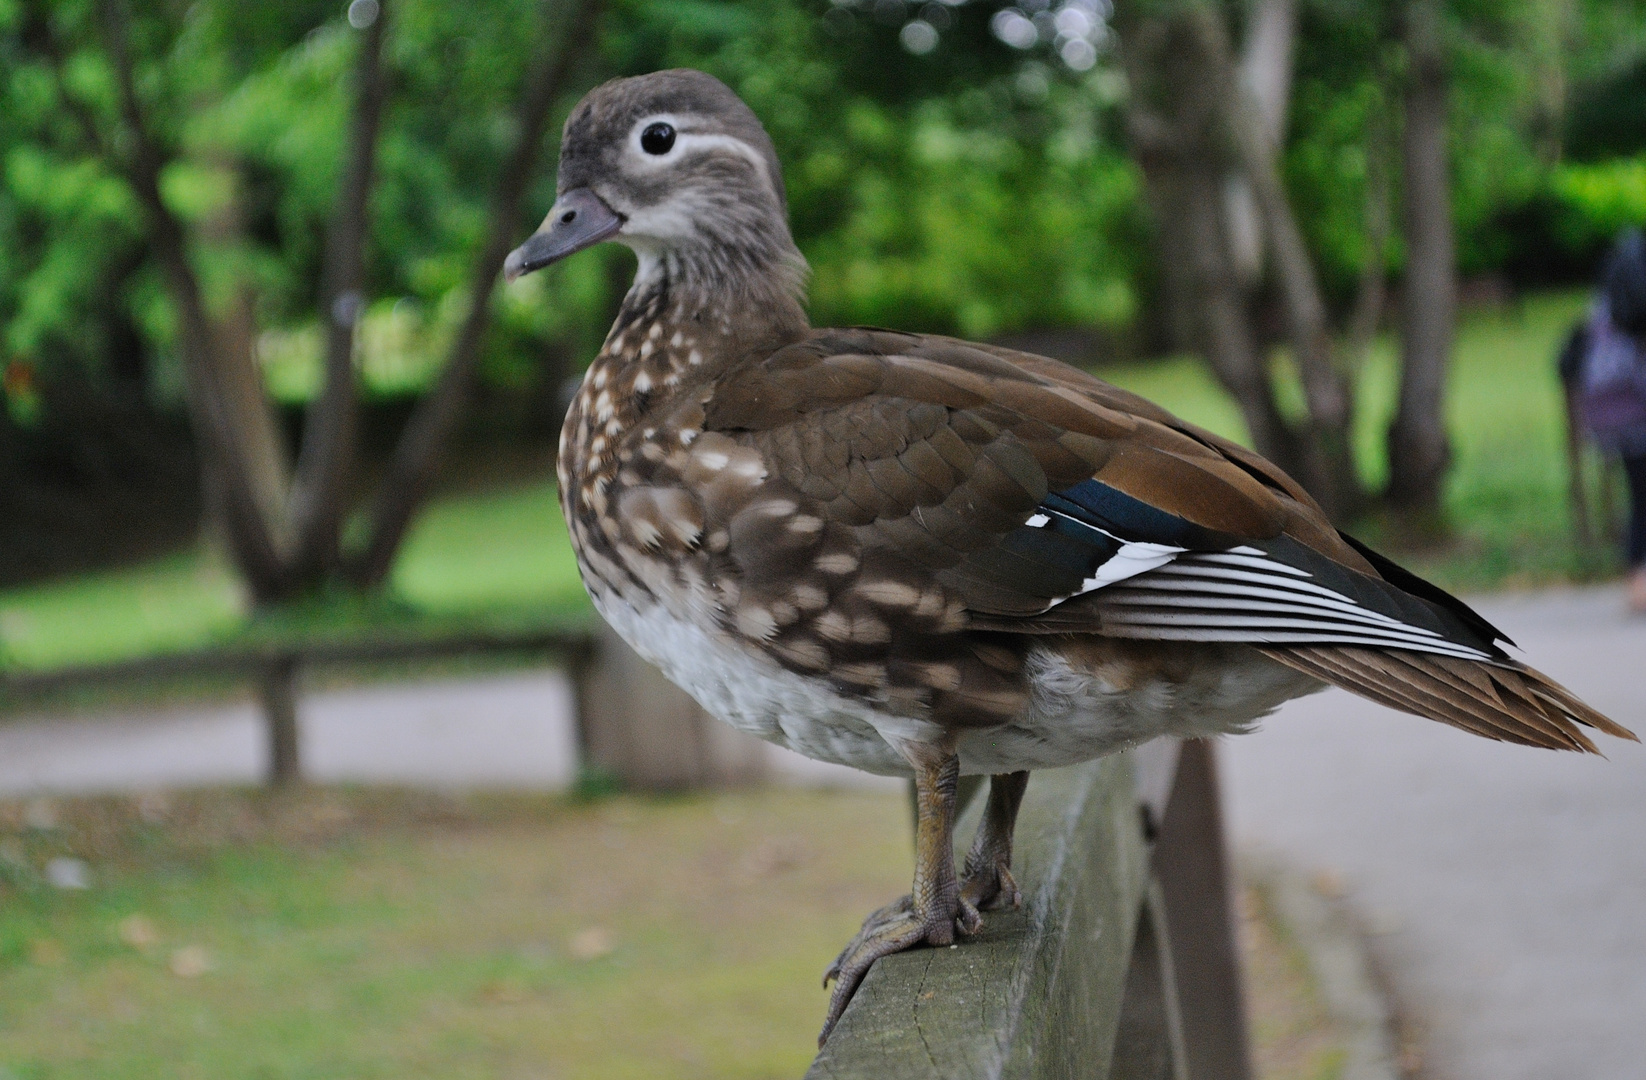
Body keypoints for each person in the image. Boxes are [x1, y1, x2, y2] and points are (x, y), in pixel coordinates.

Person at [1560, 228, 1646, 613]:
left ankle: (1637, 583)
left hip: (1615, 413)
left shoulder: (1608, 300)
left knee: (1639, 494)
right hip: (1635, 407)